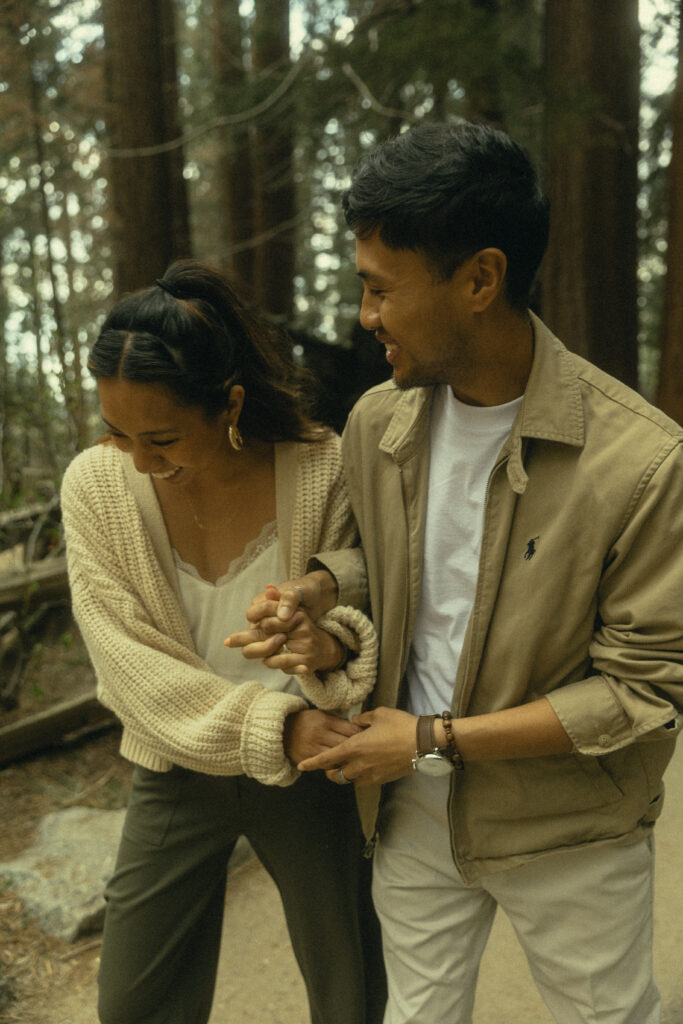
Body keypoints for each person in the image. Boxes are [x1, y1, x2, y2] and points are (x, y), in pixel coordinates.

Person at [230, 122, 683, 1024]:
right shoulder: (376, 422)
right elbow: (388, 563)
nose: (364, 316)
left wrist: (433, 738)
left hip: (571, 830)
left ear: (480, 278)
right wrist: (318, 596)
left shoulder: (640, 459)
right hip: (411, 811)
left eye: (379, 289)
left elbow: (642, 693)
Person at [60, 259, 386, 1024]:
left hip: (313, 772)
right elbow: (124, 661)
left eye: (162, 436)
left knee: (352, 991)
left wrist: (327, 642)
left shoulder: (319, 468)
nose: (137, 458)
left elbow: (363, 590)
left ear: (229, 403)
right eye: (116, 431)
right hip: (179, 762)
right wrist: (275, 725)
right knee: (133, 1002)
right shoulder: (95, 486)